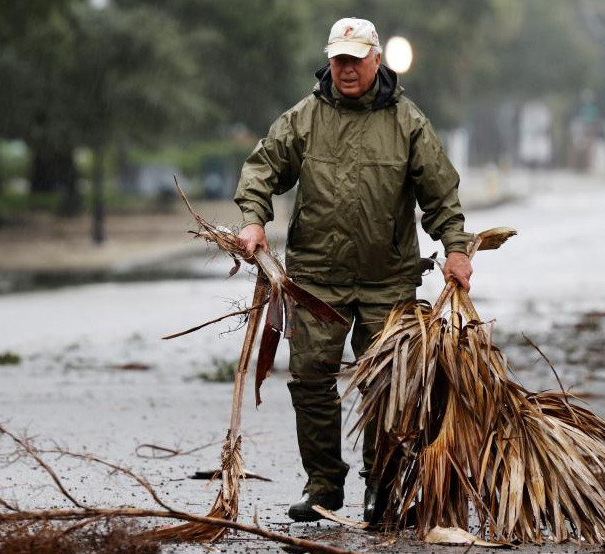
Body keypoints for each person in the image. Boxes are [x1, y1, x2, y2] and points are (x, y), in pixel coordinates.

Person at [234, 17, 474, 523]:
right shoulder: (306, 118)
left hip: (387, 279)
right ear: (331, 60)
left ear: (376, 60)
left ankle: (380, 488)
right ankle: (324, 485)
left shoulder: (408, 123)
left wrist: (456, 248)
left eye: (355, 59)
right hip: (316, 279)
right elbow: (262, 168)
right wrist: (253, 219)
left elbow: (440, 195)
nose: (345, 69)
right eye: (338, 59)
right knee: (309, 380)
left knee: (386, 384)